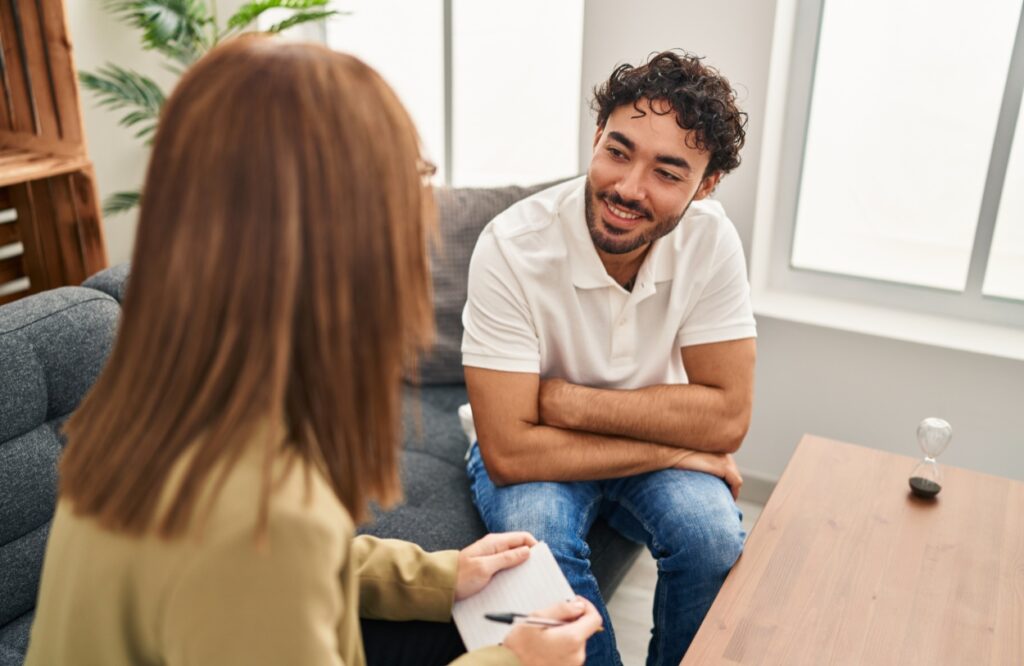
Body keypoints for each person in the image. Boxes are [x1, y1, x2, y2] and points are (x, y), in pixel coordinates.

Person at [24, 37, 602, 666]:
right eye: (408, 190)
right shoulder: (262, 517)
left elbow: (263, 571)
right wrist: (517, 662)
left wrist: (437, 577)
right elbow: (257, 555)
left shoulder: (151, 410)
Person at [461, 50, 755, 666]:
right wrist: (678, 446)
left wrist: (565, 401)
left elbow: (726, 420)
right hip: (542, 452)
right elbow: (511, 451)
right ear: (596, 136)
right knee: (534, 549)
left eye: (668, 173)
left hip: (564, 431)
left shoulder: (712, 241)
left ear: (705, 186)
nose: (627, 188)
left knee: (710, 537)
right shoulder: (512, 247)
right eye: (618, 151)